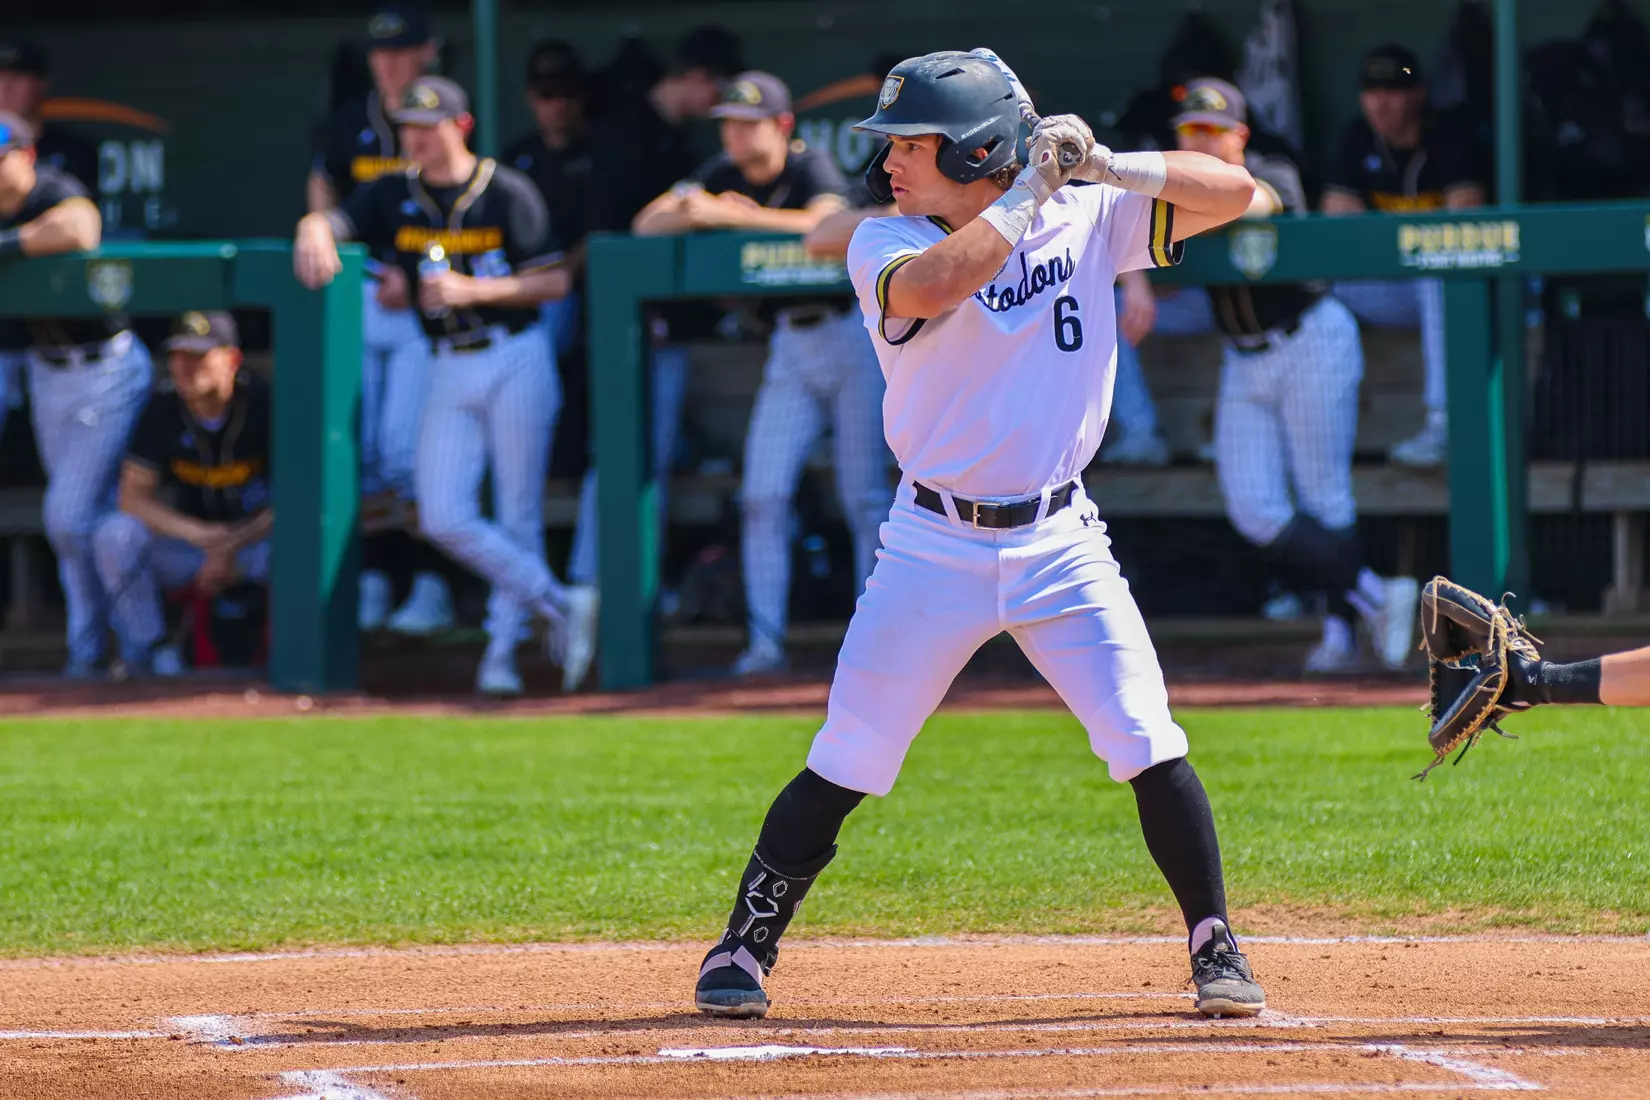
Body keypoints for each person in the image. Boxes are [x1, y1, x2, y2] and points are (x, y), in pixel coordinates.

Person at [693, 50, 1265, 1021]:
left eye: (912, 144)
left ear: (976, 148)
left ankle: (1214, 938)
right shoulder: (881, 239)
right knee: (852, 753)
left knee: (1146, 735)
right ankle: (744, 942)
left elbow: (1238, 191)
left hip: (1062, 537)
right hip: (932, 544)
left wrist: (1110, 166)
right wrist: (1029, 193)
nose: (889, 164)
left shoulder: (1087, 214)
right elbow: (932, 288)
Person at [294, 76, 589, 697]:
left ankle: (501, 658)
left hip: (514, 353)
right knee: (442, 513)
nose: (416, 139)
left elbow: (555, 282)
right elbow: (337, 217)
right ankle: (560, 602)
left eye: (428, 127)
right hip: (446, 360)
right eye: (408, 128)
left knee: (518, 512)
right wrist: (314, 229)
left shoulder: (506, 189)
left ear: (461, 126)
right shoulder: (392, 191)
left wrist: (472, 290)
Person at [633, 72, 888, 676]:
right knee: (761, 496)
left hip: (850, 335)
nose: (737, 136)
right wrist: (702, 210)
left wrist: (725, 218)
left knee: (865, 497)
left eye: (749, 124)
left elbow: (821, 228)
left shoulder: (811, 166)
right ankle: (765, 643)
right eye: (729, 123)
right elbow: (647, 225)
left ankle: (877, 648)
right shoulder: (720, 176)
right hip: (787, 347)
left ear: (781, 125)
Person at [1171, 78, 1418, 674]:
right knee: (1254, 509)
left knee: (1324, 493)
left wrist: (1177, 195)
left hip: (1308, 337)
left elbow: (1252, 203)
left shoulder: (1268, 168)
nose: (1201, 141)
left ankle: (1340, 634)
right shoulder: (1171, 185)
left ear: (1240, 135)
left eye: (1213, 131)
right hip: (1243, 355)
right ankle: (1378, 595)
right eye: (1190, 132)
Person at [559, 24, 744, 690]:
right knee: (618, 461)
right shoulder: (627, 131)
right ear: (696, 78)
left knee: (648, 463)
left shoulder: (669, 138)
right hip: (620, 323)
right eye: (716, 90)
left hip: (652, 324)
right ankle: (588, 592)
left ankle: (622, 590)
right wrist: (649, 313)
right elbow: (613, 237)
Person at [309, 4, 455, 637]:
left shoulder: (447, 114)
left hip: (426, 301)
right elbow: (326, 198)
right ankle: (374, 576)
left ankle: (433, 580)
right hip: (364, 295)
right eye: (381, 54)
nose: (390, 65)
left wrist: (415, 274)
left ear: (428, 52)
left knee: (406, 451)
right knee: (363, 450)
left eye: (403, 52)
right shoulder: (351, 121)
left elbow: (457, 207)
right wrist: (329, 245)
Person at [0, 111, 150, 679]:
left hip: (106, 367)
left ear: (26, 155)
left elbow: (81, 229)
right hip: (47, 370)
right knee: (83, 526)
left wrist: (8, 244)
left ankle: (128, 644)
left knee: (68, 516)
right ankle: (95, 649)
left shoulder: (53, 189)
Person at [1323, 45, 1484, 469]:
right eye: (1372, 90)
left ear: (1418, 94)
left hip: (1467, 290)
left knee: (1436, 270)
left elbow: (1464, 219)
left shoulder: (1450, 133)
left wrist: (1380, 237)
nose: (1381, 101)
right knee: (1319, 293)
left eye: (1394, 90)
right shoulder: (1357, 138)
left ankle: (1443, 423)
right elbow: (1336, 227)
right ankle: (1321, 427)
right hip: (1393, 288)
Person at [92, 313, 271, 677]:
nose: (184, 367)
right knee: (115, 536)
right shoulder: (163, 407)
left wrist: (231, 545)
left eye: (198, 356)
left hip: (256, 542)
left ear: (231, 359)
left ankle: (291, 649)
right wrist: (202, 537)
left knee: (306, 540)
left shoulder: (263, 402)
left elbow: (296, 502)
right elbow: (132, 497)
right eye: (177, 356)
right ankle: (153, 651)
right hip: (191, 546)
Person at [0, 38, 100, 453]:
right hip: (6, 328)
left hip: (61, 330)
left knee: (65, 502)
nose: (4, 87)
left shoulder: (71, 156)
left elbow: (82, 227)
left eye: (15, 78)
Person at [503, 40, 594, 482]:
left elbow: (601, 233)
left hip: (570, 288)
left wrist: (560, 275)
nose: (555, 106)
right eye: (545, 96)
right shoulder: (517, 158)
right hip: (518, 288)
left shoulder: (600, 153)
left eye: (564, 94)